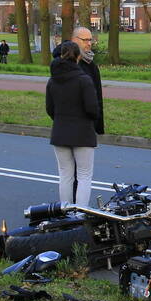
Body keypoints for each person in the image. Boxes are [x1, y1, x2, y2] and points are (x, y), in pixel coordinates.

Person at [46, 41, 100, 207]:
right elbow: (92, 108)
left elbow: (50, 109)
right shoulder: (84, 80)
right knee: (84, 175)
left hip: (60, 132)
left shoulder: (52, 80)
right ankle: (80, 212)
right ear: (77, 57)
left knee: (65, 174)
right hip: (82, 133)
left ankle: (65, 211)